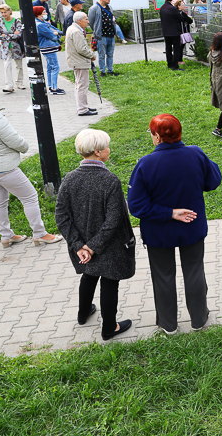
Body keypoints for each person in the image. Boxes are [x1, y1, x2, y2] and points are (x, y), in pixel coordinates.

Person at [127, 114, 222, 335]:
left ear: (158, 137)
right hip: (192, 226)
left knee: (163, 276)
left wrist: (168, 213)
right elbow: (213, 180)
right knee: (194, 271)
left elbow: (137, 206)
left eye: (152, 134)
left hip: (159, 233)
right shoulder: (195, 154)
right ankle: (199, 319)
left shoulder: (146, 164)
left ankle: (169, 325)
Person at [0, 76, 62, 248]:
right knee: (30, 196)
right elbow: (15, 141)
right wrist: (25, 147)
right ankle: (40, 234)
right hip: (2, 168)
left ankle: (6, 237)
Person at [55, 129, 136, 341]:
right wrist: (92, 246)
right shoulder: (110, 180)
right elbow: (114, 220)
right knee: (110, 281)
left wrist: (79, 246)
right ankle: (110, 327)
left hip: (82, 245)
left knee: (89, 274)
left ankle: (83, 313)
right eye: (107, 146)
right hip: (108, 246)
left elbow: (61, 216)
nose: (110, 149)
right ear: (98, 152)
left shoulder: (69, 179)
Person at [66, 11, 98, 117]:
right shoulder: (76, 31)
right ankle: (82, 109)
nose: (88, 22)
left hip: (78, 61)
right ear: (79, 21)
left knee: (80, 85)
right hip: (79, 62)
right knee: (82, 85)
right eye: (86, 19)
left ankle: (83, 106)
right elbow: (81, 49)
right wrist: (92, 55)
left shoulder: (74, 29)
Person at [0, 4, 26, 93]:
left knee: (19, 65)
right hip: (5, 47)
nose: (3, 14)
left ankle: (20, 82)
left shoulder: (17, 21)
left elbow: (19, 35)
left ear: (9, 11)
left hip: (16, 47)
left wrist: (5, 35)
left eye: (5, 12)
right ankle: (9, 85)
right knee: (7, 64)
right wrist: (12, 35)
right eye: (2, 12)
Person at [34, 5, 64, 95]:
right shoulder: (40, 25)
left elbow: (57, 30)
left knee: (50, 67)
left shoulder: (44, 22)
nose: (46, 14)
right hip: (48, 47)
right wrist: (56, 34)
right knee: (55, 66)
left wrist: (56, 33)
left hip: (48, 47)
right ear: (38, 14)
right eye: (44, 12)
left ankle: (51, 86)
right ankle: (54, 88)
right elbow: (53, 37)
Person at [88, 0, 120, 76]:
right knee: (101, 54)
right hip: (101, 36)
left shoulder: (109, 7)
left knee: (110, 53)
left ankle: (110, 70)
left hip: (110, 34)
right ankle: (103, 71)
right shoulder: (94, 8)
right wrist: (96, 30)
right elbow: (91, 22)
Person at [159, 0, 186, 71]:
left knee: (168, 49)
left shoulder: (162, 8)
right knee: (176, 49)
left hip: (165, 31)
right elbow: (181, 18)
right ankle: (175, 66)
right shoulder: (173, 8)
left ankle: (169, 64)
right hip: (174, 32)